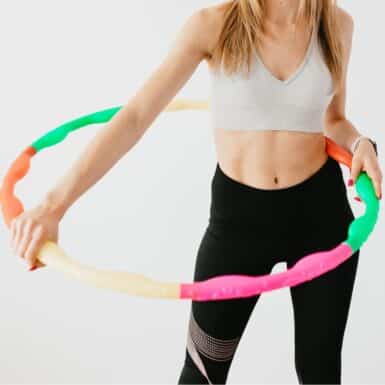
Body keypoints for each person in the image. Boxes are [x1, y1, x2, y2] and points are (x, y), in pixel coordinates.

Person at [9, 0, 382, 384]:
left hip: (321, 217)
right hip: (240, 223)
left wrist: (359, 144)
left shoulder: (337, 25)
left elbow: (333, 119)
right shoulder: (213, 25)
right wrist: (53, 206)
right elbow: (135, 117)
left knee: (320, 372)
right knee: (201, 375)